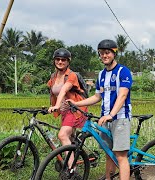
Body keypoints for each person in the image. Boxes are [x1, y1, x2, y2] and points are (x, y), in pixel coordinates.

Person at [69, 39, 132, 180]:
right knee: (109, 153)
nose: (104, 56)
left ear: (114, 54)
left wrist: (111, 114)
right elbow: (97, 96)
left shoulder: (123, 71)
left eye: (107, 53)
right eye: (102, 53)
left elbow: (122, 95)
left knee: (121, 156)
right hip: (105, 118)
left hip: (120, 117)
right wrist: (76, 103)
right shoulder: (101, 75)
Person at [47, 48, 88, 148]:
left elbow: (64, 90)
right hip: (64, 110)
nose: (60, 62)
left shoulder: (71, 75)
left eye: (63, 60)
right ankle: (79, 157)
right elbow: (53, 94)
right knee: (70, 139)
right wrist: (54, 107)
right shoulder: (53, 77)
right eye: (58, 59)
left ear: (68, 61)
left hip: (75, 109)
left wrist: (57, 106)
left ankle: (71, 164)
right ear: (54, 60)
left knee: (62, 135)